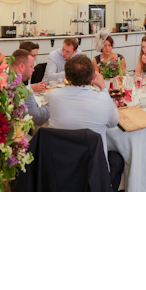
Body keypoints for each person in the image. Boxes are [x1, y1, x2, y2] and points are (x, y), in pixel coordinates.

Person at [45, 54, 123, 190]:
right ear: (93, 77)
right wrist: (103, 88)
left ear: (66, 77)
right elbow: (113, 122)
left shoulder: (53, 97)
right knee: (118, 159)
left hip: (61, 169)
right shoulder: (103, 99)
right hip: (93, 173)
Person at [11, 49, 49, 127]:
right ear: (21, 67)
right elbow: (38, 118)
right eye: (31, 66)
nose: (33, 69)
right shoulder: (21, 89)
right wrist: (53, 102)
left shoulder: (4, 77)